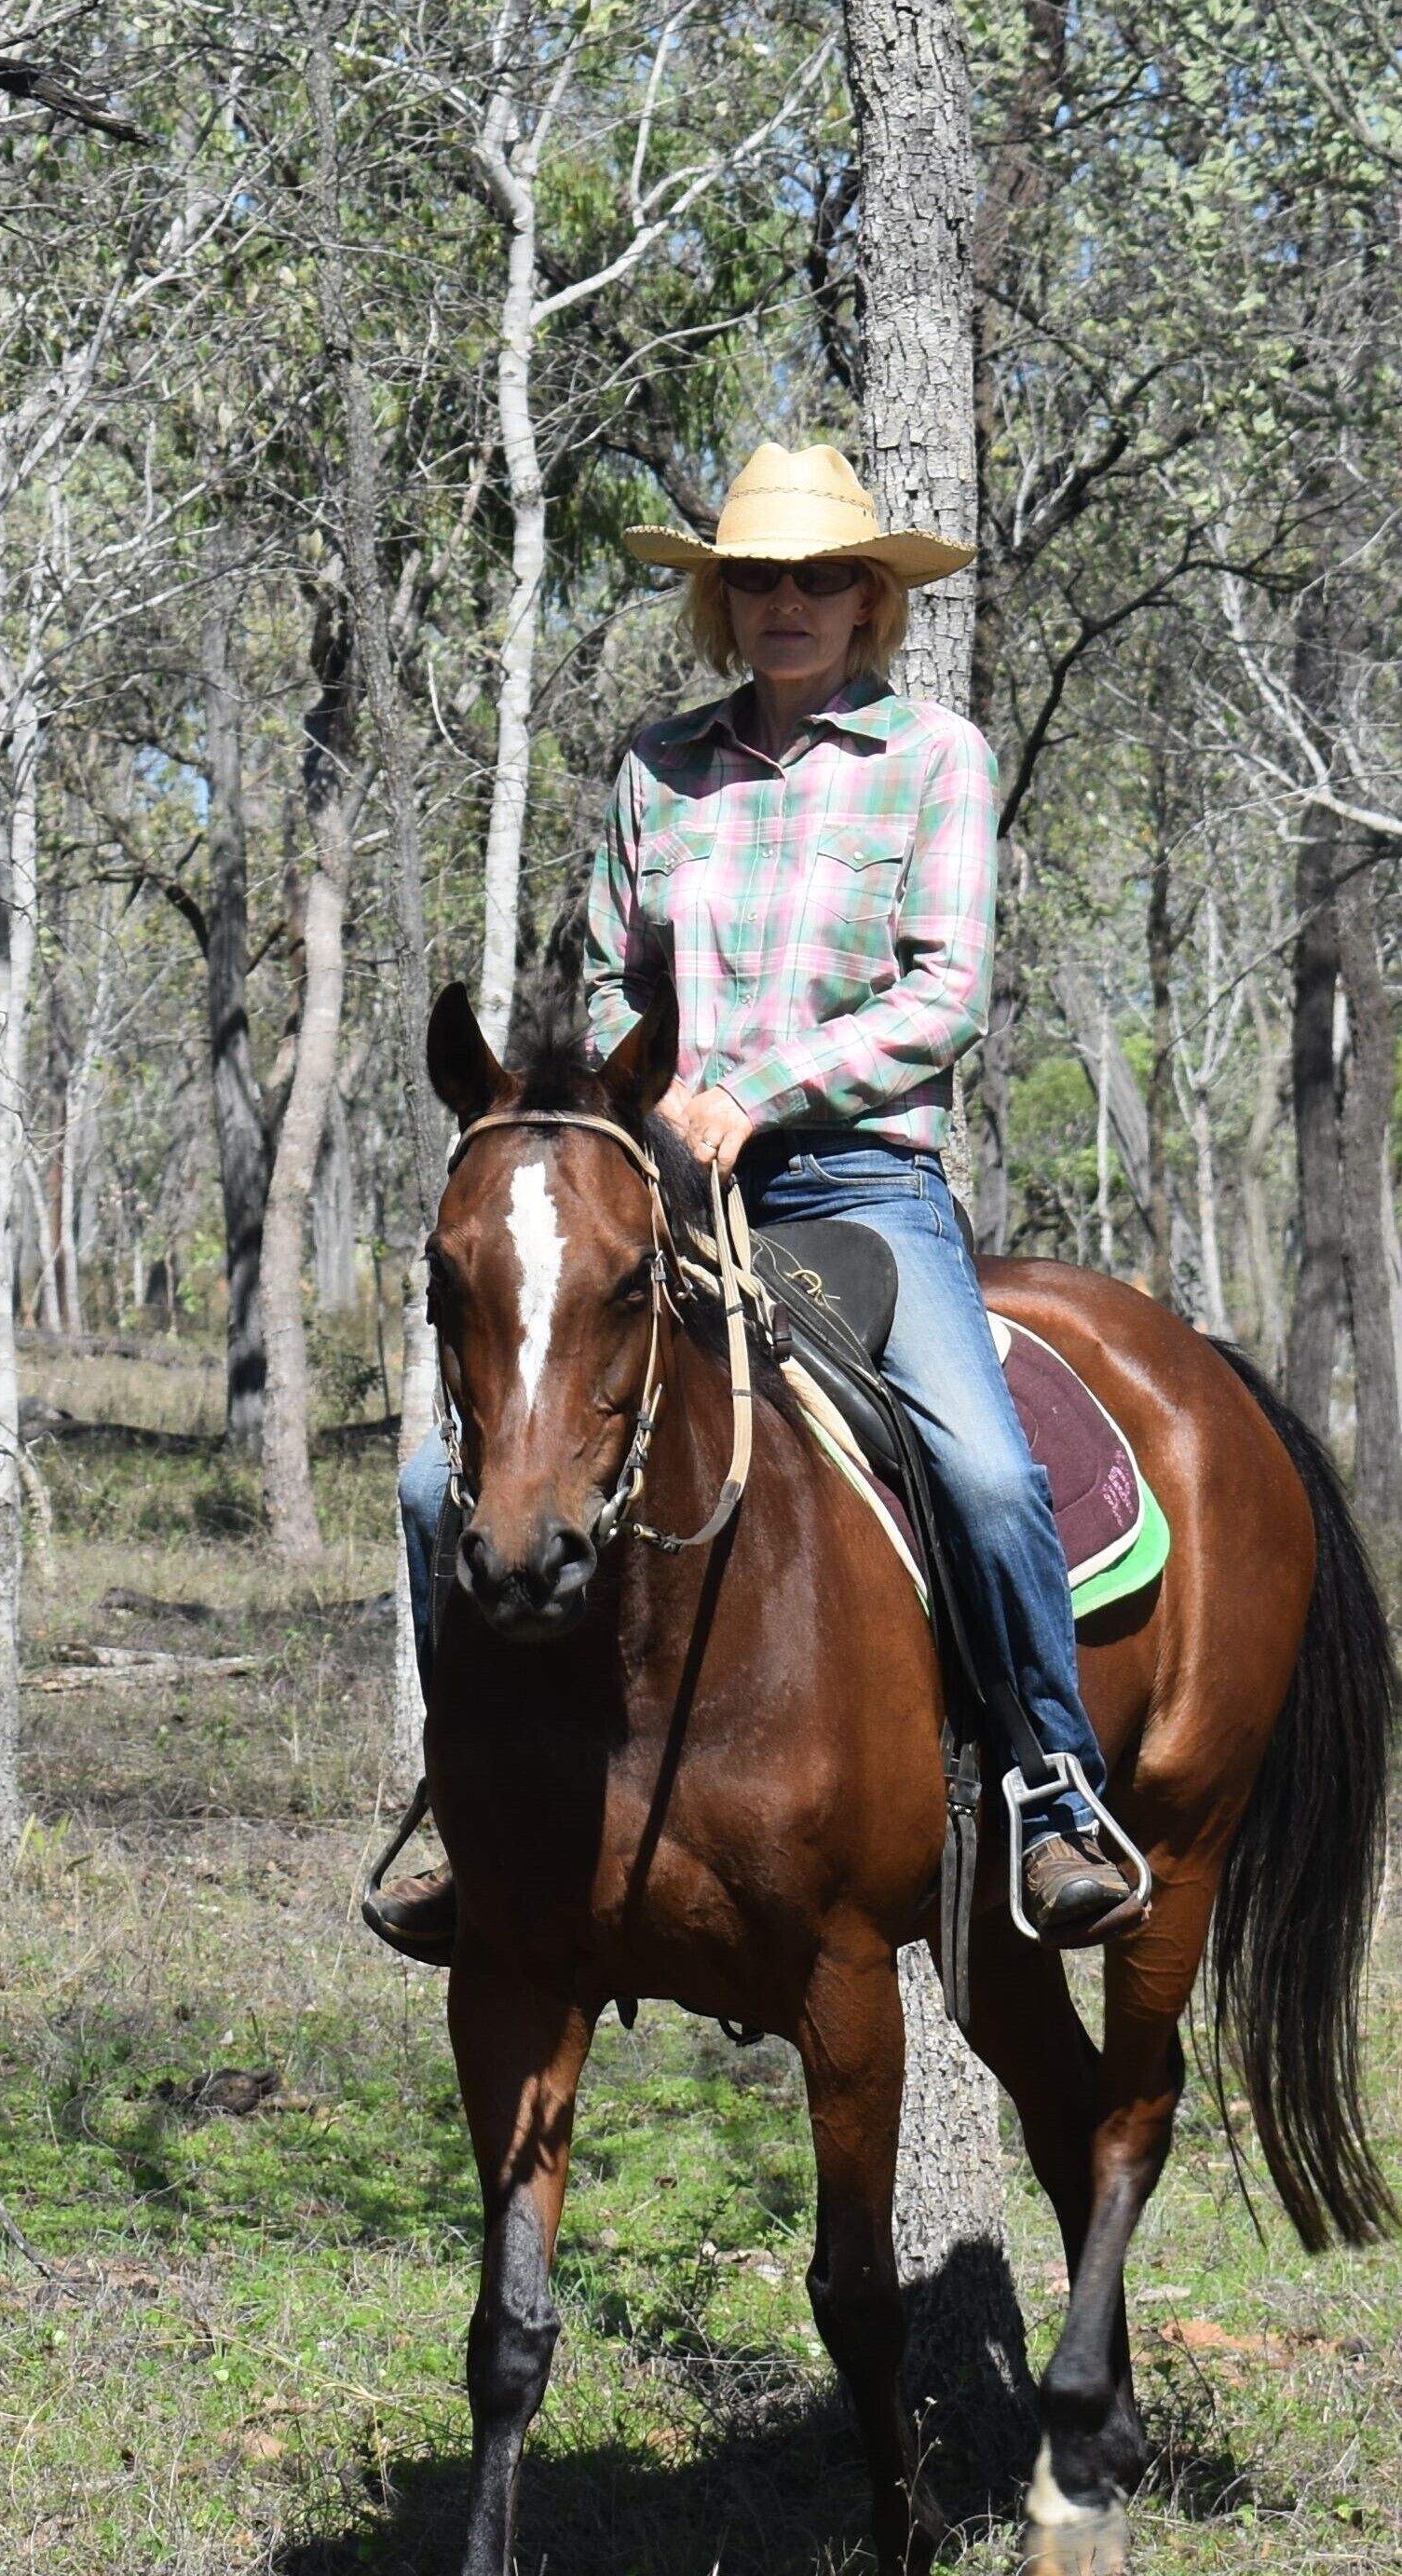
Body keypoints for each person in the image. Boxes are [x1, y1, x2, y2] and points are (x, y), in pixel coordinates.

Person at [365, 443, 1141, 1960]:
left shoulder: (935, 761)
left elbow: (946, 994)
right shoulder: (659, 769)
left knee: (981, 1471)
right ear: (724, 603)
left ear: (870, 599)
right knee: (424, 1488)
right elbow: (604, 979)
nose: (790, 603)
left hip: (858, 1177)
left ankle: (1052, 1791)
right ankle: (476, 1819)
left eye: (822, 577)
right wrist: (623, 1111)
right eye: (760, 580)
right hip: (657, 1181)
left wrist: (755, 1093)